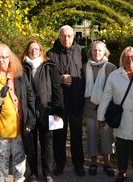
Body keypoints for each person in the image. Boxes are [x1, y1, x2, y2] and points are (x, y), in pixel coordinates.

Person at [0, 43, 36, 182]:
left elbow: (30, 96)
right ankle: (0, 180)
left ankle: (19, 180)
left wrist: (30, 120)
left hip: (17, 125)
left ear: (11, 57)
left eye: (5, 57)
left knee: (19, 157)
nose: (2, 60)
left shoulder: (19, 74)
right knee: (1, 158)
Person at [97, 46, 133, 182]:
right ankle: (122, 171)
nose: (129, 59)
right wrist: (100, 117)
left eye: (132, 57)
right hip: (121, 119)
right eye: (126, 56)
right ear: (122, 59)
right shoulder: (114, 75)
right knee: (122, 146)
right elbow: (106, 97)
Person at [47, 25, 87, 176]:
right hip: (57, 103)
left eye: (69, 36)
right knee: (58, 135)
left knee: (77, 135)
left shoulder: (81, 51)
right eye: (63, 36)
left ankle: (79, 164)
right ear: (59, 37)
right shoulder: (50, 54)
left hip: (76, 101)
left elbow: (85, 73)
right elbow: (47, 78)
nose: (66, 39)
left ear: (73, 36)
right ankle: (60, 164)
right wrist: (59, 79)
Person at [22, 40, 63, 182]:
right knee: (31, 144)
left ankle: (48, 173)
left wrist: (57, 110)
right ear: (27, 51)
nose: (33, 51)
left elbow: (57, 89)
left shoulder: (49, 66)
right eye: (31, 49)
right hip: (29, 111)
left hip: (47, 110)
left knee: (47, 143)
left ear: (41, 51)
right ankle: (33, 173)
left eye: (36, 49)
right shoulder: (21, 67)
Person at [83, 41, 116, 176]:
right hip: (90, 108)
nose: (97, 53)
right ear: (91, 52)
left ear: (105, 52)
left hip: (106, 109)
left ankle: (107, 163)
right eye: (95, 50)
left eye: (100, 51)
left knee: (107, 136)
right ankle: (93, 162)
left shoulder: (111, 67)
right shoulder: (85, 67)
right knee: (91, 135)